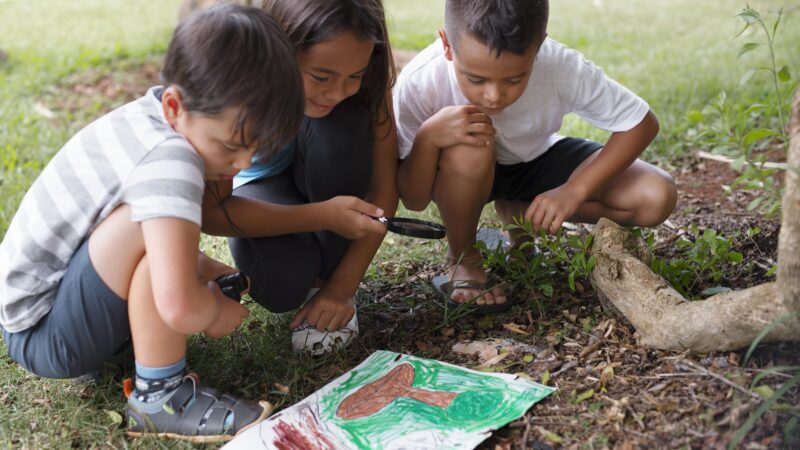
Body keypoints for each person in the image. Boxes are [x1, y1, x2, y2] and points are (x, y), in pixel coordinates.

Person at [0, 4, 305, 441]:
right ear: (175, 105)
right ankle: (160, 398)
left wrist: (200, 268)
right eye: (231, 146)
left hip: (48, 307)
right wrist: (213, 311)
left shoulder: (155, 120)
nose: (239, 164)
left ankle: (139, 352)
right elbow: (179, 303)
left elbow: (124, 240)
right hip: (44, 333)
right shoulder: (171, 160)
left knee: (155, 229)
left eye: (255, 150)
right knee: (151, 230)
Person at [393, 0, 677, 311]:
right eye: (476, 79)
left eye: (514, 79)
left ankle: (520, 210)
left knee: (655, 196)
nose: (494, 95)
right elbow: (414, 199)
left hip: (537, 159)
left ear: (539, 46)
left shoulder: (560, 65)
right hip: (461, 172)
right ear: (447, 44)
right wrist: (428, 138)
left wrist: (573, 191)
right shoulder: (420, 81)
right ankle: (464, 256)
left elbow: (641, 123)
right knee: (469, 142)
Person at [202, 0, 398, 354]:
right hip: (262, 188)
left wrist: (341, 286)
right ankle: (307, 279)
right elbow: (213, 212)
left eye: (355, 76)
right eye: (321, 77)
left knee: (340, 130)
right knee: (280, 284)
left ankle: (325, 286)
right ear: (280, 48)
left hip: (328, 168)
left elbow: (384, 189)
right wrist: (322, 215)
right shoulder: (238, 79)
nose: (338, 92)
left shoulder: (365, 80)